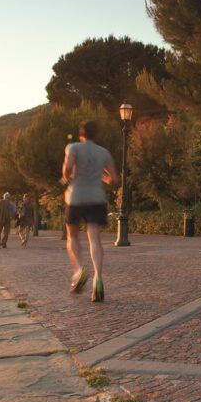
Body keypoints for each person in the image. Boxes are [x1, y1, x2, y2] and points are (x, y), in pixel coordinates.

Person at [61, 120, 118, 302]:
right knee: (94, 238)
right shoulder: (104, 152)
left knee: (72, 236)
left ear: (81, 134)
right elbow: (113, 178)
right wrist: (99, 175)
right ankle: (98, 278)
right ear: (96, 134)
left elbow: (67, 168)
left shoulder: (73, 147)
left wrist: (68, 177)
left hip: (76, 197)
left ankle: (79, 271)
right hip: (96, 198)